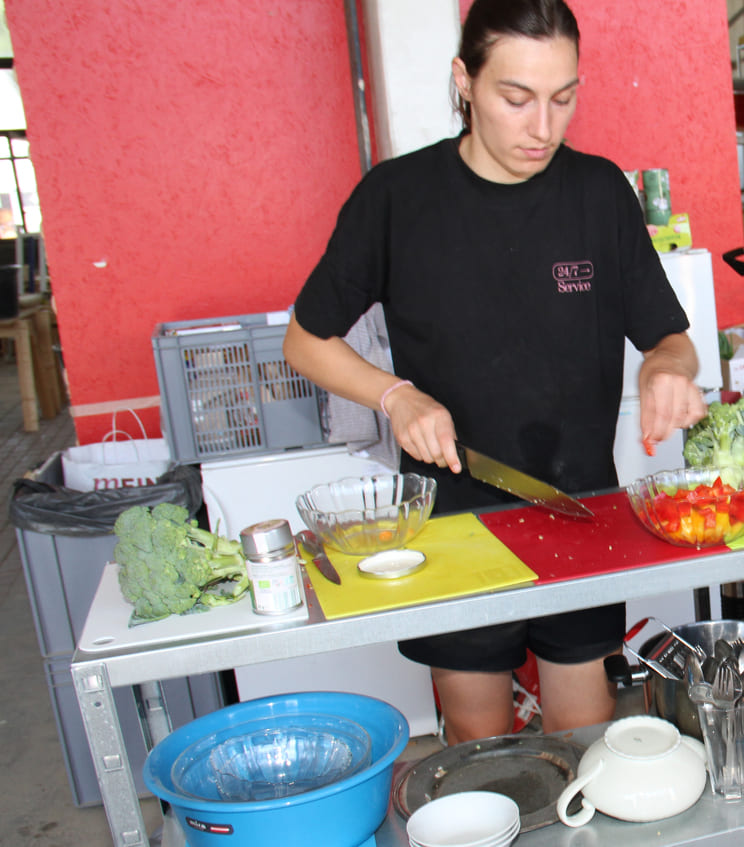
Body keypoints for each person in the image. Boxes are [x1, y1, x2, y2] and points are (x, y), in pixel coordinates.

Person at [283, 0, 707, 744]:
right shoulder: (396, 199)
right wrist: (395, 395)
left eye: (563, 98)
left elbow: (670, 336)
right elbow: (304, 340)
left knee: (584, 737)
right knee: (478, 742)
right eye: (516, 98)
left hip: (578, 509)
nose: (542, 127)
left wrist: (666, 368)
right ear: (464, 82)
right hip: (452, 517)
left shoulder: (598, 193)